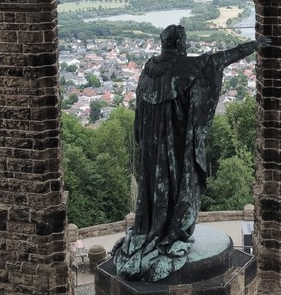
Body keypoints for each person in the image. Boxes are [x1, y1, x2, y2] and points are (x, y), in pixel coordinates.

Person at [111, 25, 270, 282]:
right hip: (176, 148)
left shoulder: (149, 69)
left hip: (151, 151)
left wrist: (144, 141)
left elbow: (139, 115)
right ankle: (170, 233)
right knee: (180, 186)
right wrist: (256, 44)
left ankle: (151, 229)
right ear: (179, 43)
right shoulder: (188, 67)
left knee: (154, 190)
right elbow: (222, 58)